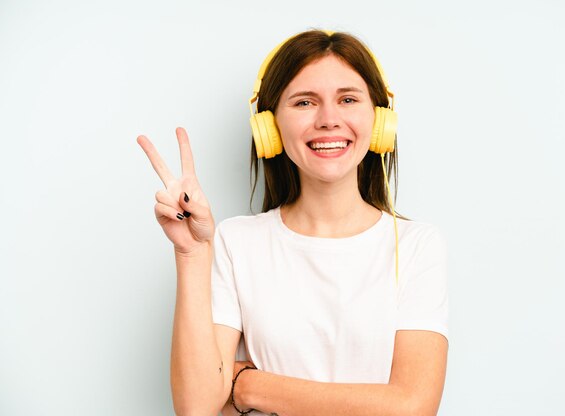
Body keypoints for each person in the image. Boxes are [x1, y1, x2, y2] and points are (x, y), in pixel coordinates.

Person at [137, 29, 448, 416]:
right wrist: (192, 254)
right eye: (304, 102)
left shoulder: (416, 245)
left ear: (380, 119)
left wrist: (250, 386)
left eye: (348, 99)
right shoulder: (235, 242)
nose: (329, 119)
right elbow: (196, 408)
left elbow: (412, 408)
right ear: (269, 128)